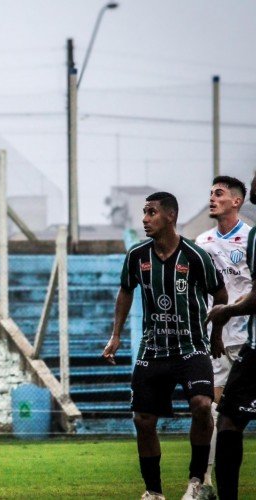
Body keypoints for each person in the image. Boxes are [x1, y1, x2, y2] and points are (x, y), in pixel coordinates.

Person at [102, 192, 226, 500]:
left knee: (201, 404)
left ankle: (197, 481)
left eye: (151, 212)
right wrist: (115, 335)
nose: (145, 219)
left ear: (170, 216)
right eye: (144, 213)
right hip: (153, 349)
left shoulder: (196, 256)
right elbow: (125, 292)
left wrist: (216, 334)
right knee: (142, 419)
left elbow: (221, 296)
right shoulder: (136, 256)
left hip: (191, 347)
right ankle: (153, 492)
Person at [194, 175, 251, 487]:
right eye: (210, 193)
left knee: (233, 417)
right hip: (215, 340)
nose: (212, 199)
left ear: (236, 201)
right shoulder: (202, 243)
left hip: (247, 340)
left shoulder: (251, 238)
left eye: (218, 194)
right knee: (213, 410)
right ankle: (204, 481)